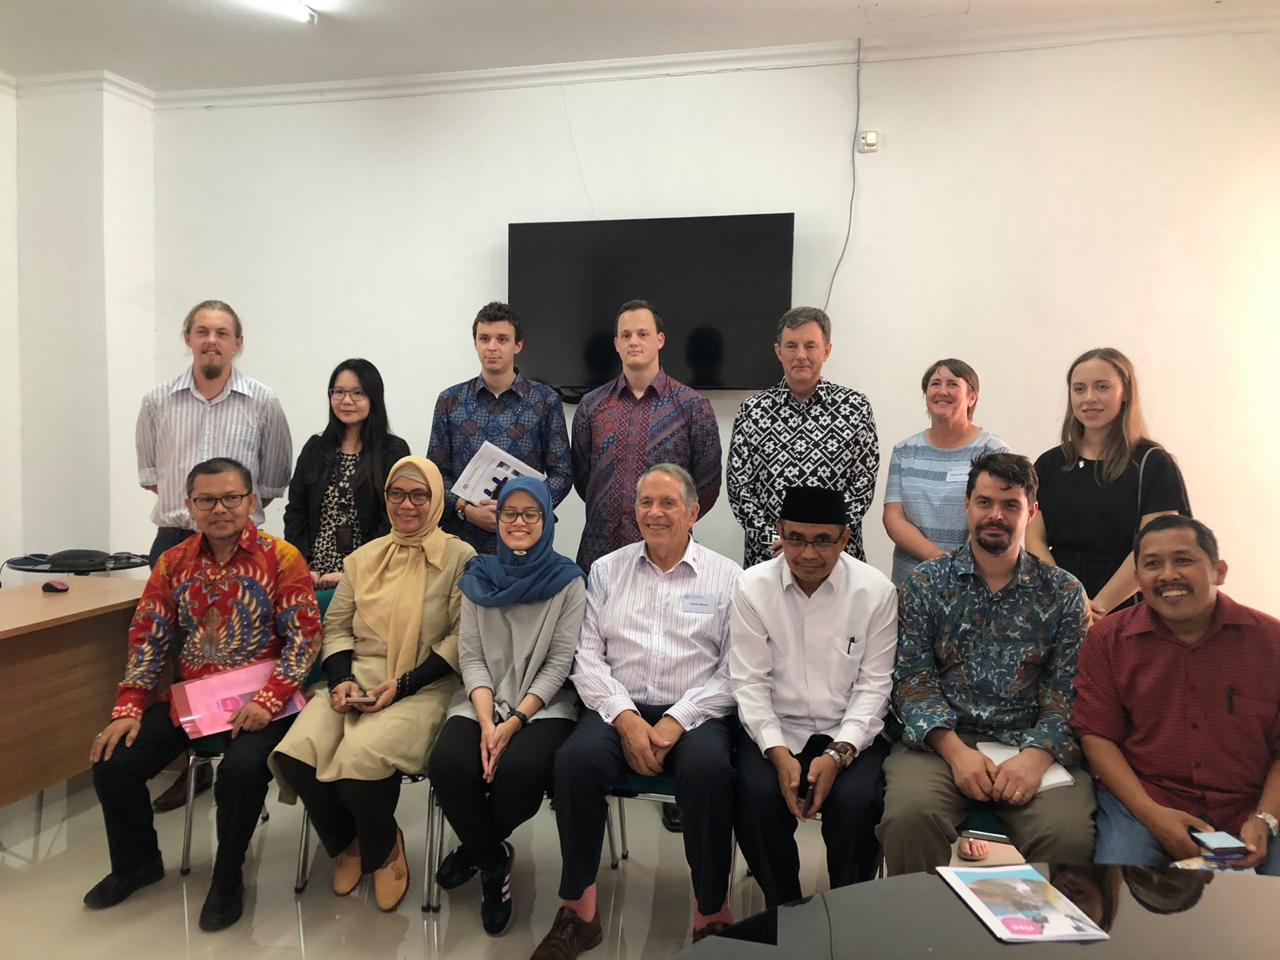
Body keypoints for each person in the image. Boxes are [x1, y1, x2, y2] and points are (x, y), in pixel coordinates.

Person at [84, 458, 320, 931]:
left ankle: (228, 877)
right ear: (189, 507)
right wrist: (128, 707)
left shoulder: (282, 557)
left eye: (231, 497)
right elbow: (148, 635)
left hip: (265, 701)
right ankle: (138, 864)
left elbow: (305, 639)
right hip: (194, 701)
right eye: (207, 500)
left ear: (252, 501)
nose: (220, 509)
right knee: (113, 759)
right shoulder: (173, 563)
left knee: (241, 769)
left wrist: (268, 701)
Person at [530, 465, 741, 958]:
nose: (654, 513)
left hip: (696, 712)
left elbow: (735, 672)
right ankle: (578, 911)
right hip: (615, 706)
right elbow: (586, 658)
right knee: (575, 764)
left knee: (711, 772)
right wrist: (626, 719)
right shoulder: (606, 570)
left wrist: (673, 721)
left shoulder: (728, 576)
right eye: (646, 502)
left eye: (668, 503)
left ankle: (711, 912)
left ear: (693, 511)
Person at [271, 456, 475, 912]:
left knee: (360, 759)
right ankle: (347, 843)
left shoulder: (461, 557)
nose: (407, 505)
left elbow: (462, 638)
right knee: (297, 753)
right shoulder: (363, 558)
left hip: (423, 686)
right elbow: (338, 626)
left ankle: (383, 848)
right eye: (396, 494)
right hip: (357, 676)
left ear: (436, 499)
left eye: (419, 495)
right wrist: (340, 681)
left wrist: (401, 686)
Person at [878, 452, 1095, 875]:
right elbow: (912, 680)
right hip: (940, 743)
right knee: (908, 818)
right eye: (984, 502)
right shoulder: (926, 583)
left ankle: (1048, 939)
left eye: (1010, 504)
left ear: (1030, 512)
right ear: (967, 505)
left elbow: (1068, 691)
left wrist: (1035, 756)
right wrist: (956, 752)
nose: (995, 515)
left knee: (1068, 836)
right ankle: (923, 935)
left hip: (1032, 745)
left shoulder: (1064, 593)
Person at [135, 299, 293, 811]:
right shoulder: (157, 401)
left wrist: (228, 516)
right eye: (202, 331)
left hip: (245, 548)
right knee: (180, 659)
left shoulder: (263, 402)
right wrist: (201, 517)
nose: (212, 340)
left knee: (243, 651)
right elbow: (152, 476)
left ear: (238, 342)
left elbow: (271, 478)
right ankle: (191, 763)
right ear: (187, 338)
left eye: (222, 332)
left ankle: (240, 756)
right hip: (178, 543)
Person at [1072, 515, 1280, 875]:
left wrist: (1266, 818)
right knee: (1125, 890)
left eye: (1183, 560)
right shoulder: (1107, 640)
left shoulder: (1271, 642)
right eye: (1152, 564)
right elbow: (1097, 736)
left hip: (1252, 805)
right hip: (1144, 801)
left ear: (1219, 570)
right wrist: (1151, 814)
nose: (1167, 575)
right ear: (1138, 580)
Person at [427, 477, 586, 935]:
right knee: (449, 765)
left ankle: (476, 848)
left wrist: (513, 722)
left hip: (543, 705)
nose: (518, 522)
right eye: (509, 513)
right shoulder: (478, 576)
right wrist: (485, 719)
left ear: (546, 520)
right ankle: (494, 861)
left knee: (521, 773)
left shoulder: (568, 581)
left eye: (529, 513)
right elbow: (471, 656)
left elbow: (560, 663)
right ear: (497, 521)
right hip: (481, 698)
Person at [729, 486, 898, 909]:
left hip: (850, 733)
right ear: (780, 534)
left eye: (823, 540)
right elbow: (749, 683)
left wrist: (840, 754)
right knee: (753, 795)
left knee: (858, 803)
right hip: (777, 728)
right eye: (796, 538)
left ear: (844, 539)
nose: (808, 553)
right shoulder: (752, 587)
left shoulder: (875, 592)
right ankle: (784, 909)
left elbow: (875, 686)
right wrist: (777, 752)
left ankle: (847, 911)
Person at [1027, 347, 1188, 619]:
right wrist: (1069, 599)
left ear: (1125, 392)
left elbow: (1153, 547)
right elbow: (1033, 538)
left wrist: (1098, 608)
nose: (1089, 398)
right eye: (1079, 389)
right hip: (1058, 608)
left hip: (1129, 610)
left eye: (1102, 387)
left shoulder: (1154, 464)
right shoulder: (1050, 463)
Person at [570, 299, 721, 572]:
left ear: (660, 340)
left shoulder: (692, 407)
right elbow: (584, 480)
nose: (634, 342)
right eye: (626, 336)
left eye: (643, 334)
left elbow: (706, 486)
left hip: (667, 554)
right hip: (600, 552)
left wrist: (665, 518)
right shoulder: (591, 406)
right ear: (616, 343)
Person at [727, 306, 879, 568]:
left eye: (810, 346)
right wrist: (775, 540)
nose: (800, 355)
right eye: (791, 346)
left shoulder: (856, 407)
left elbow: (863, 486)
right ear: (778, 351)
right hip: (769, 558)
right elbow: (739, 487)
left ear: (826, 351)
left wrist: (827, 541)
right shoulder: (753, 410)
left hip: (837, 558)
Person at [429, 302, 573, 554]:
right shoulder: (449, 401)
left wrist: (519, 512)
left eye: (502, 339)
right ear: (475, 343)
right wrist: (466, 510)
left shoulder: (545, 400)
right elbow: (436, 473)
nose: (492, 347)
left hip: (526, 538)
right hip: (462, 541)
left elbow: (562, 473)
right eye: (484, 338)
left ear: (518, 345)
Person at [284, 358, 410, 590]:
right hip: (312, 572)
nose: (346, 401)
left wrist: (353, 570)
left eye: (357, 393)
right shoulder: (316, 447)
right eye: (339, 392)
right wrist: (302, 565)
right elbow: (295, 512)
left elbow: (392, 519)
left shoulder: (392, 450)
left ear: (374, 397)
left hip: (368, 573)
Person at [883, 359, 1007, 585]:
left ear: (972, 397)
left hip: (971, 580)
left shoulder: (992, 450)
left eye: (952, 384)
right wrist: (940, 560)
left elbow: (999, 516)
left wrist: (960, 566)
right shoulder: (904, 451)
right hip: (911, 580)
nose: (942, 391)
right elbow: (893, 517)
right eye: (935, 384)